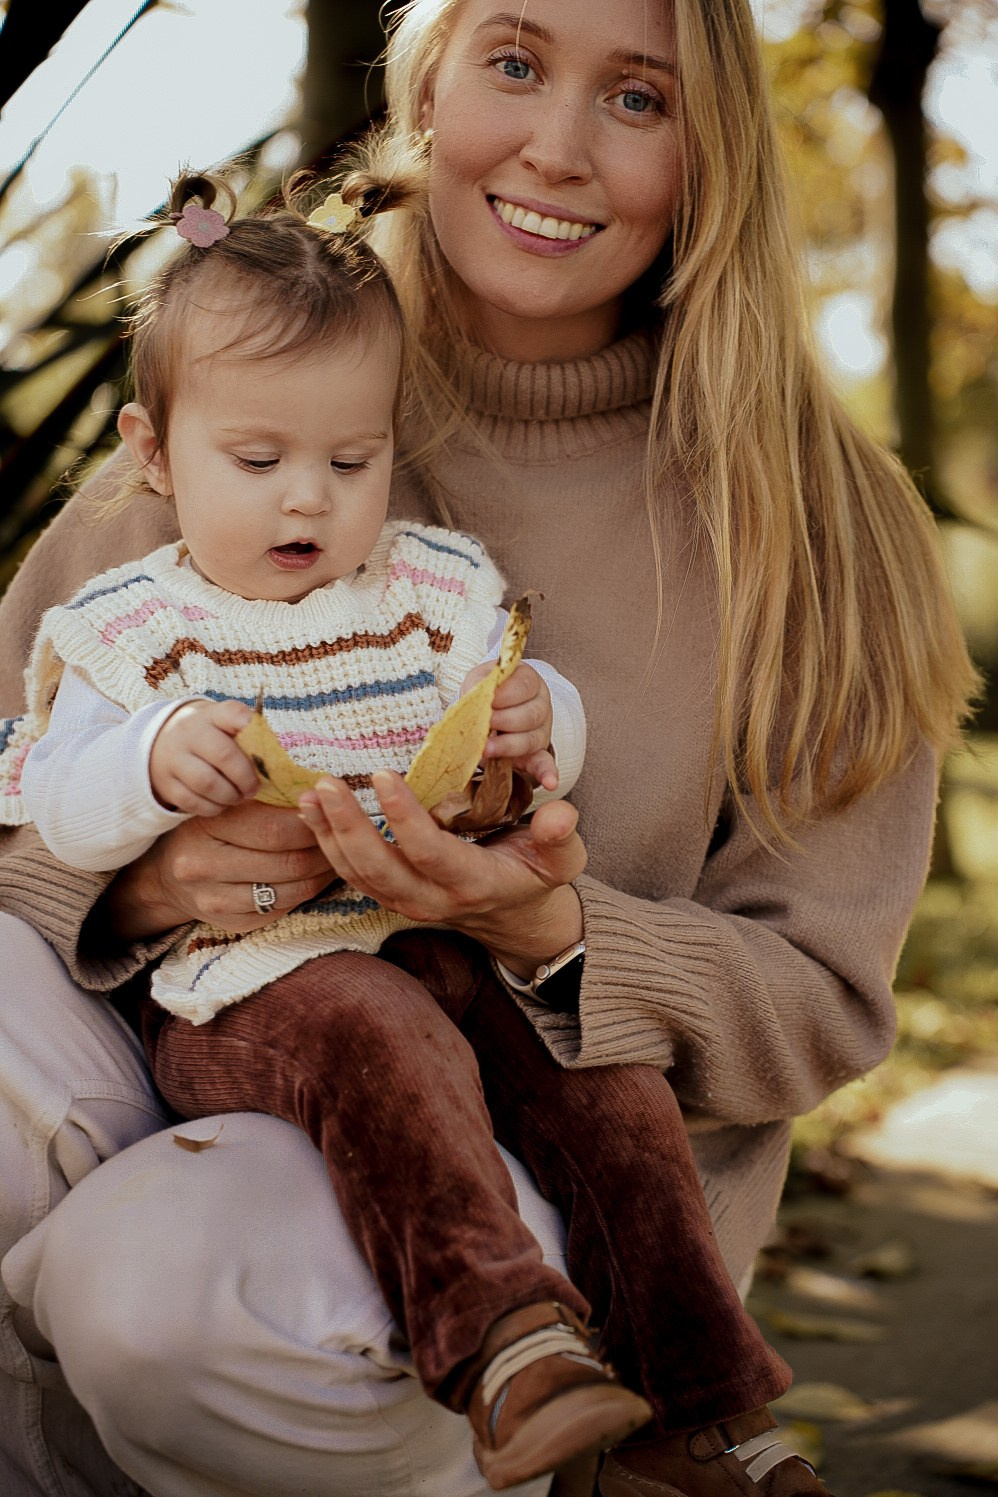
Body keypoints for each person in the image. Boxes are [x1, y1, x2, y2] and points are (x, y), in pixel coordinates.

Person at [0, 0, 977, 1494]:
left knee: (160, 1290)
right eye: (513, 64)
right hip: (203, 1036)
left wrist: (553, 926)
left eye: (637, 98)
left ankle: (631, 1415)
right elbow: (19, 763)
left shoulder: (818, 527)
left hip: (528, 1179)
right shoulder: (260, 370)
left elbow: (821, 1000)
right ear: (428, 87)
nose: (556, 146)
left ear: (708, 147)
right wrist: (147, 882)